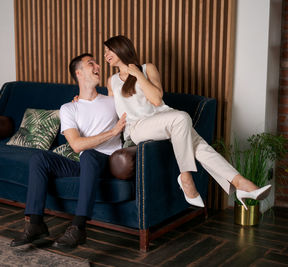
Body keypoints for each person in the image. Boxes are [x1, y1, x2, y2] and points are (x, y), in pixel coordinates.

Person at [103, 35, 271, 210]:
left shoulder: (147, 69)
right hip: (137, 128)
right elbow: (108, 112)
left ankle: (240, 183)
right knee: (182, 118)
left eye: (109, 49)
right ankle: (185, 176)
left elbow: (156, 100)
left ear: (122, 48)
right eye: (105, 51)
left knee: (197, 144)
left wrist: (137, 74)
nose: (106, 54)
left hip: (164, 119)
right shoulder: (112, 81)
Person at [10, 53, 126, 249]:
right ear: (79, 73)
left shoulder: (112, 100)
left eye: (97, 63)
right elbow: (76, 145)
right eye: (92, 64)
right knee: (39, 158)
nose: (98, 66)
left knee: (89, 155)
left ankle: (79, 227)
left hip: (110, 162)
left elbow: (137, 103)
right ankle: (35, 223)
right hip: (86, 163)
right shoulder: (69, 108)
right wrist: (112, 132)